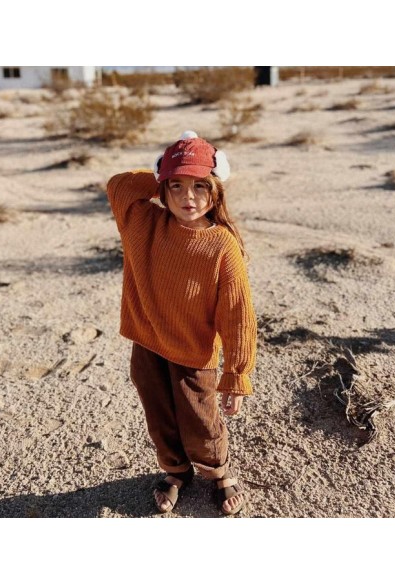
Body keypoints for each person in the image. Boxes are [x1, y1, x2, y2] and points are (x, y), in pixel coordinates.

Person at [106, 131, 257, 516]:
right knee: (159, 415)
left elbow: (237, 313)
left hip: (195, 351)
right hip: (148, 344)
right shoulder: (143, 222)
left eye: (199, 187)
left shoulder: (221, 245)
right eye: (176, 186)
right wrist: (165, 165)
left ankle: (218, 471)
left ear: (216, 192)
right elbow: (119, 186)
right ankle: (175, 471)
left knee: (200, 421)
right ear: (162, 188)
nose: (187, 197)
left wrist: (237, 374)